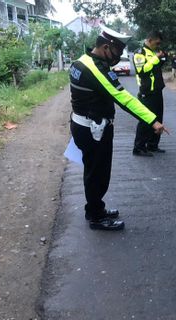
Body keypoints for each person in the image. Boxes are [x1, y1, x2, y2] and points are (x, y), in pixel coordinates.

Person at [69, 25, 169, 231]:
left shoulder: (82, 61)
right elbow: (123, 98)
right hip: (93, 129)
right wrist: (153, 120)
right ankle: (96, 216)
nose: (119, 57)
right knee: (98, 173)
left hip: (83, 125)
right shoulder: (95, 69)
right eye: (117, 52)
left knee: (93, 171)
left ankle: (95, 208)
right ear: (106, 47)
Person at [132, 31, 168, 156]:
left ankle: (152, 145)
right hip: (147, 93)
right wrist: (155, 58)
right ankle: (139, 147)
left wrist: (162, 58)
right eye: (157, 42)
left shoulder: (153, 53)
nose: (158, 45)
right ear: (150, 39)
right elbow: (141, 71)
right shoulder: (139, 53)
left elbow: (156, 68)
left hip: (157, 91)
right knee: (146, 120)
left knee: (158, 119)